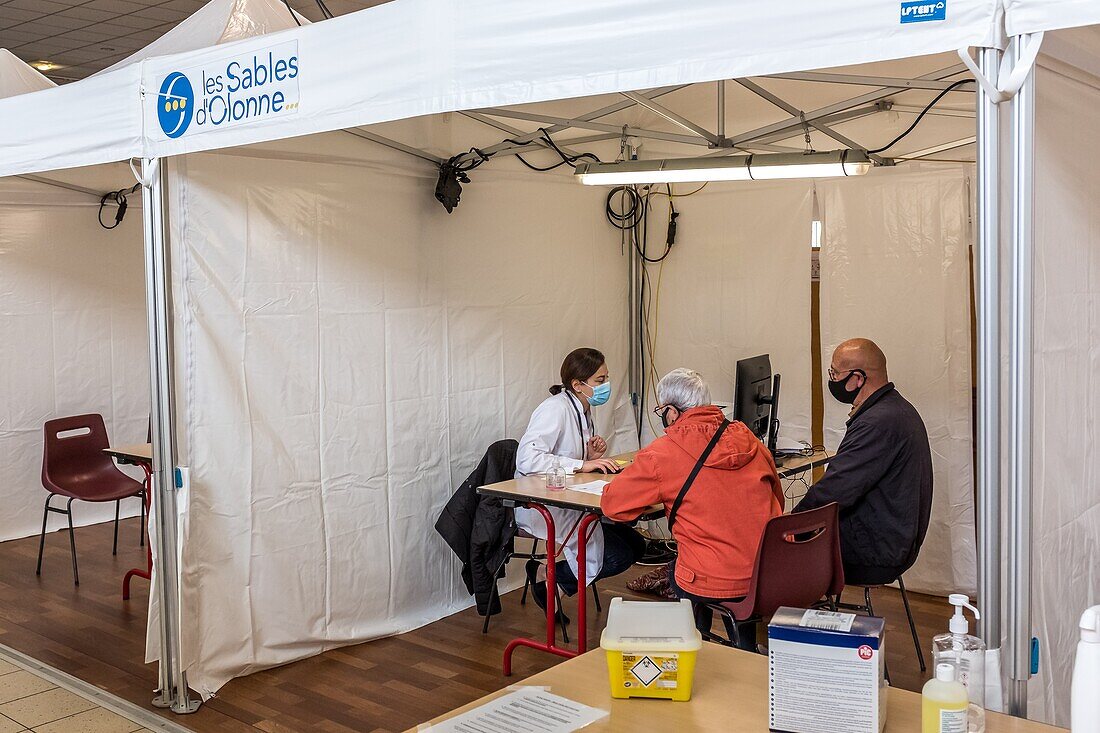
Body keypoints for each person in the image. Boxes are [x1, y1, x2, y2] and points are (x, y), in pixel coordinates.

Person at [601, 368, 783, 649]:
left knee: (680, 570)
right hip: (766, 573)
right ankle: (744, 648)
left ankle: (697, 640)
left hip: (709, 579)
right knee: (706, 558)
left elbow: (614, 506)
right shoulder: (751, 442)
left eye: (661, 410)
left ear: (672, 413)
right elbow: (778, 502)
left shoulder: (662, 453)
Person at [515, 348, 645, 622]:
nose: (606, 385)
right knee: (617, 556)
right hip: (544, 505)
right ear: (577, 384)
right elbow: (528, 458)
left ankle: (550, 579)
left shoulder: (582, 409)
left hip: (572, 499)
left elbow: (564, 456)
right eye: (600, 380)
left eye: (606, 378)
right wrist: (581, 465)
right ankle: (548, 578)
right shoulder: (555, 409)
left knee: (636, 544)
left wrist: (590, 456)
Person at [794, 338, 933, 586]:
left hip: (874, 553)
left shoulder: (877, 422)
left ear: (857, 378)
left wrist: (791, 526)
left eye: (835, 373)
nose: (832, 380)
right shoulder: (896, 409)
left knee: (775, 552)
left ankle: (781, 622)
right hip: (893, 541)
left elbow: (837, 489)